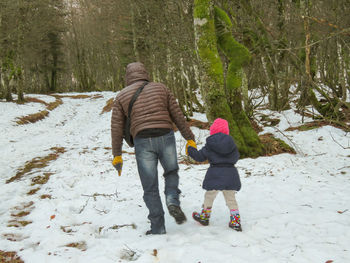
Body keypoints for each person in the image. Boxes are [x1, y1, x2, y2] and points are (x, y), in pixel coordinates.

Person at [111, 62, 196, 235]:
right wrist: (190, 139)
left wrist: (117, 155)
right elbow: (177, 113)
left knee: (150, 186)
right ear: (145, 73)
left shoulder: (121, 96)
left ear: (127, 76)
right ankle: (172, 201)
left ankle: (158, 227)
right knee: (171, 172)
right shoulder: (161, 88)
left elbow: (117, 128)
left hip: (142, 141)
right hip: (166, 135)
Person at [186, 118, 242, 231]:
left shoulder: (210, 144)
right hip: (230, 175)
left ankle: (204, 217)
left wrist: (190, 149)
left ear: (212, 131)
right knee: (231, 199)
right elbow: (236, 157)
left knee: (209, 196)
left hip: (214, 175)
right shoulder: (232, 144)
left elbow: (199, 157)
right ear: (227, 131)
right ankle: (235, 222)